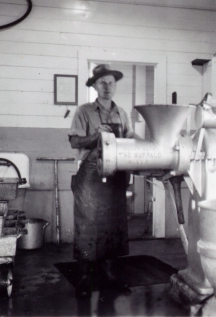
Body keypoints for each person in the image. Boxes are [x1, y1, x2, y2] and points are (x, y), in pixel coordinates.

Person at [68, 64, 134, 297]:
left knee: (114, 224)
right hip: (90, 175)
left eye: (111, 82)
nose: (107, 87)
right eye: (102, 82)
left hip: (116, 174)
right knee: (87, 224)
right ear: (94, 86)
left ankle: (111, 277)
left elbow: (130, 141)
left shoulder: (122, 113)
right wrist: (95, 137)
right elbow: (75, 142)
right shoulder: (84, 111)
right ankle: (85, 278)